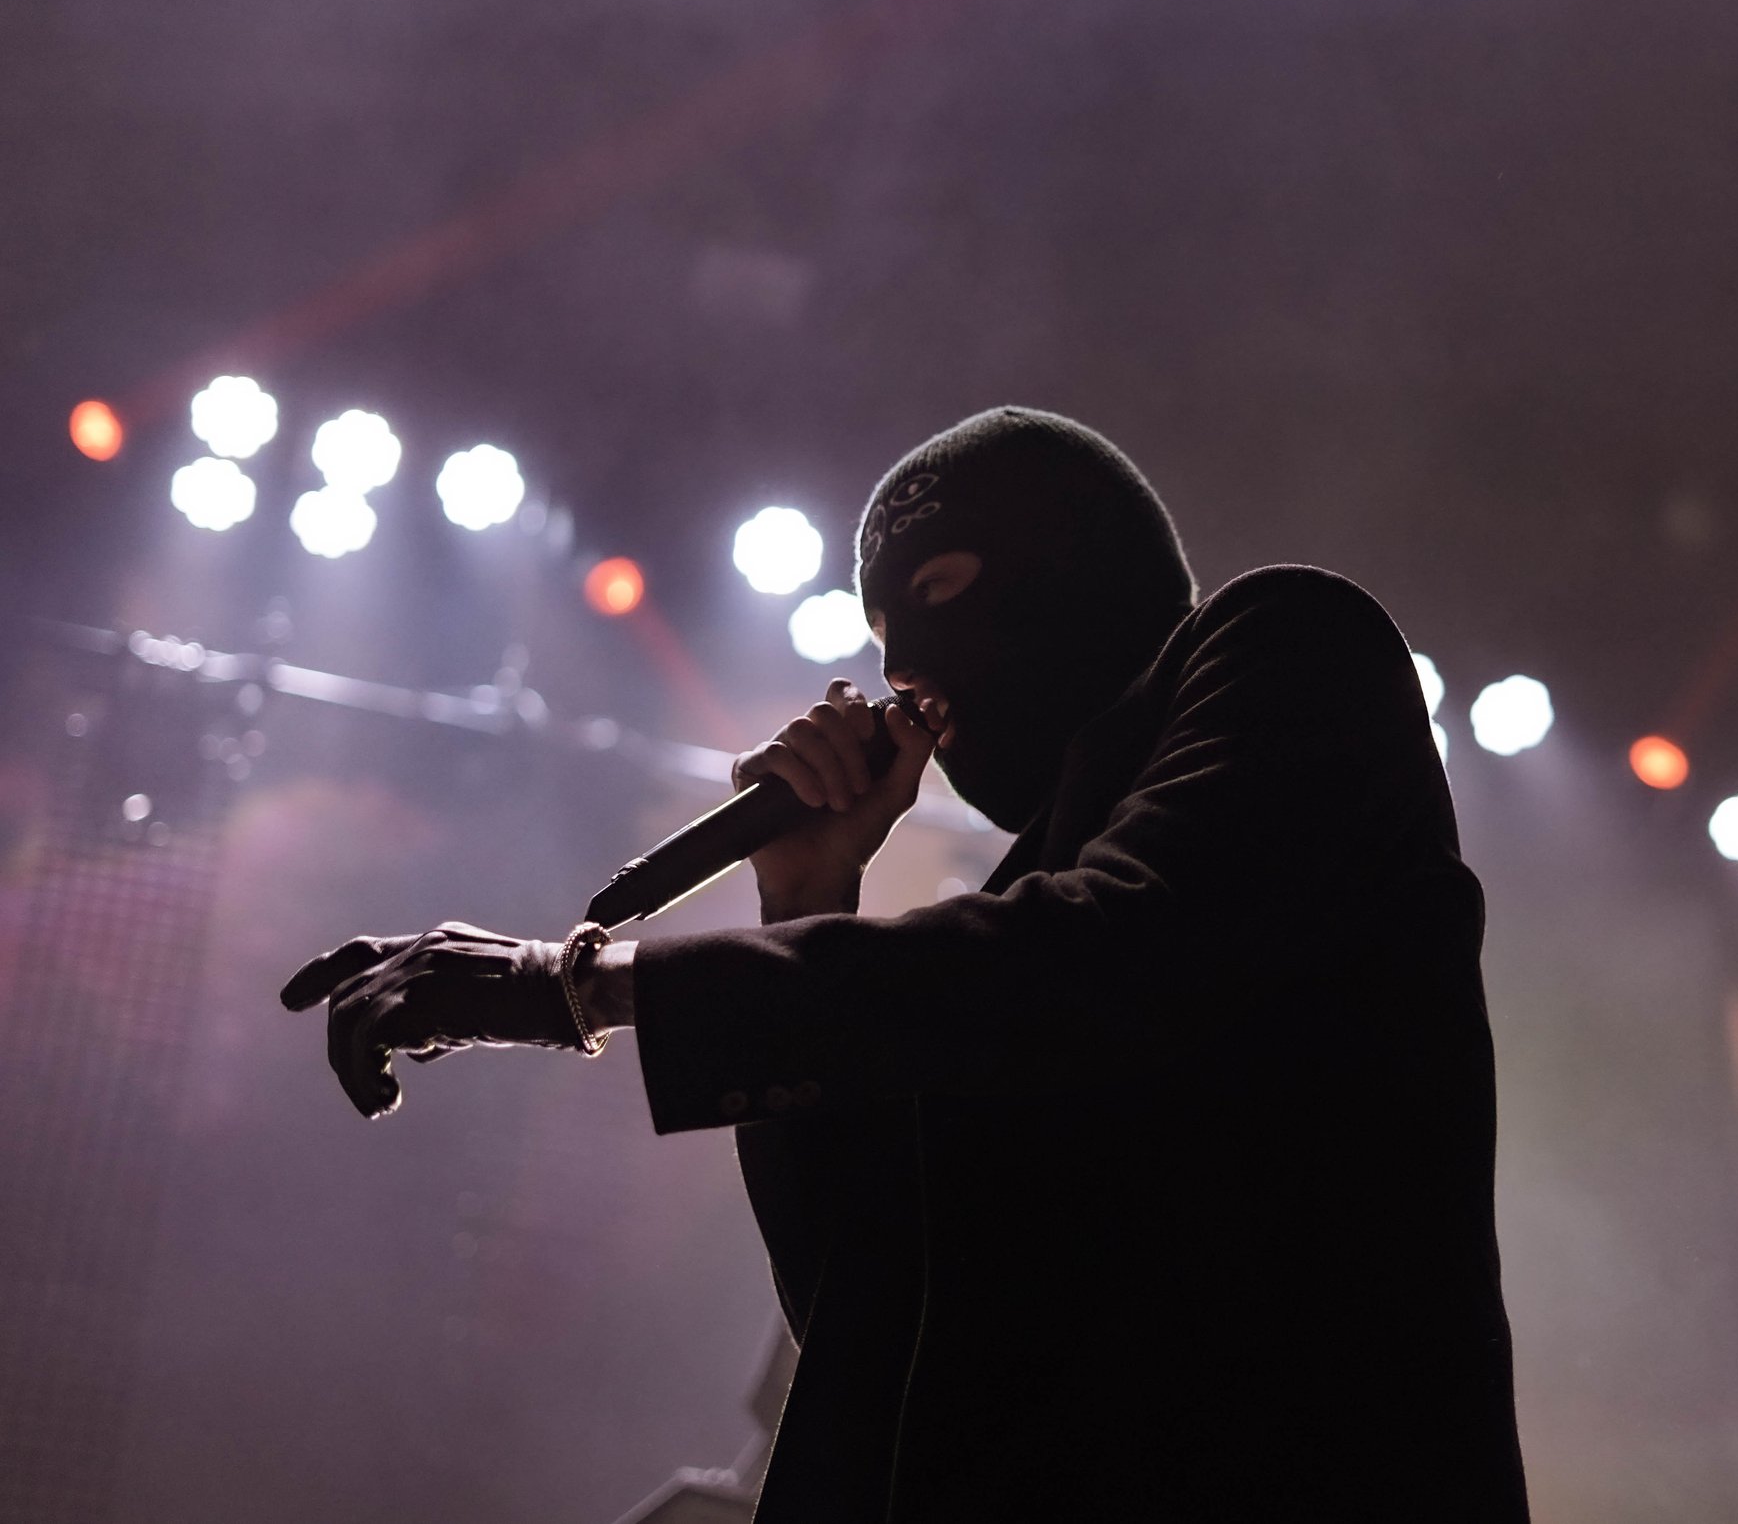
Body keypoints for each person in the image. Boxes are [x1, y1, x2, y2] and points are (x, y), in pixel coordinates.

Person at [283, 408, 1530, 1521]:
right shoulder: (993, 940)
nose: (901, 673)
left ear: (1082, 566)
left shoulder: (1291, 650)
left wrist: (582, 984)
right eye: (879, 640)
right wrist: (804, 891)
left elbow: (1108, 956)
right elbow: (867, 1299)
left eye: (939, 589)